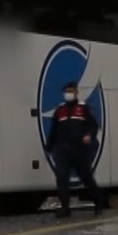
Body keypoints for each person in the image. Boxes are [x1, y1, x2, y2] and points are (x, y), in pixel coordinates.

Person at [46, 80, 103, 218]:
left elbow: (93, 126)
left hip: (80, 149)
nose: (68, 94)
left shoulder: (83, 109)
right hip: (63, 150)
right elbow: (54, 130)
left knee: (86, 177)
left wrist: (89, 135)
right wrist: (49, 146)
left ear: (76, 92)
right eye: (67, 92)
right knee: (61, 178)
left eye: (71, 91)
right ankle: (65, 207)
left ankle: (98, 202)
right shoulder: (60, 111)